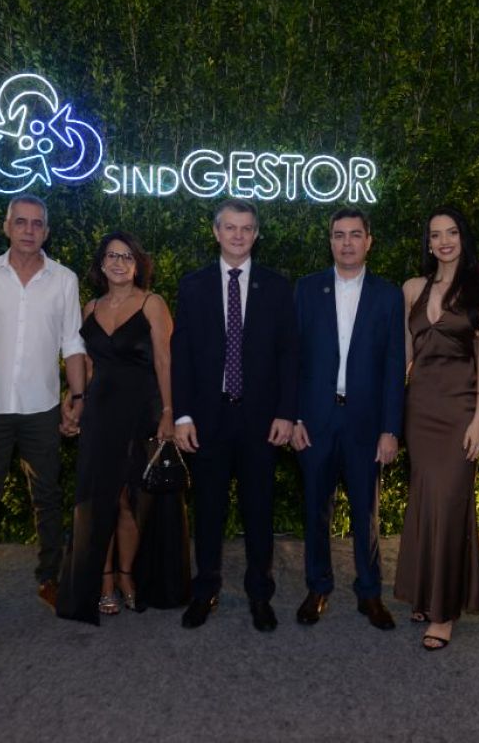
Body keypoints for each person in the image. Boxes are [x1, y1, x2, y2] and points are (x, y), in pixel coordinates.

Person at [171, 198, 298, 632]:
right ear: (216, 232)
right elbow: (182, 356)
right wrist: (182, 416)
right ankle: (204, 591)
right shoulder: (193, 286)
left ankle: (260, 594)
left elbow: (289, 355)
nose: (238, 235)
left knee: (258, 511)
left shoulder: (277, 287)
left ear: (256, 234)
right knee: (207, 511)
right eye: (230, 227)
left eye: (246, 228)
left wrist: (286, 413)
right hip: (208, 418)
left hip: (260, 420)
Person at [56, 231, 186, 625]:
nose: (118, 262)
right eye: (112, 256)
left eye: (127, 256)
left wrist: (169, 411)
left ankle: (128, 575)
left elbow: (165, 361)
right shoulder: (90, 307)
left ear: (137, 265)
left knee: (133, 501)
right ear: (101, 264)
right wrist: (73, 399)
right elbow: (86, 363)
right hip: (100, 414)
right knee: (100, 501)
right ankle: (104, 581)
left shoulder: (152, 303)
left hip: (143, 412)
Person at [0, 194, 86, 615]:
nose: (29, 230)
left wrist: (78, 397)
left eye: (37, 223)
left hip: (42, 406)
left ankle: (49, 578)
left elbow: (73, 343)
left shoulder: (64, 280)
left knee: (47, 496)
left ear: (46, 231)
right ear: (7, 226)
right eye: (21, 222)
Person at [292, 208, 404, 631]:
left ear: (369, 241)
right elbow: (293, 360)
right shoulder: (306, 289)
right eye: (339, 235)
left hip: (365, 424)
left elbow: (394, 366)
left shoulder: (388, 295)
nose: (347, 243)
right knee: (315, 510)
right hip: (315, 421)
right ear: (330, 242)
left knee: (365, 514)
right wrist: (294, 417)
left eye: (355, 235)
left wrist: (390, 429)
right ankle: (318, 587)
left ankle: (369, 593)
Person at [393, 207, 479, 650]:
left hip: (460, 409)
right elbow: (405, 356)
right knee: (424, 498)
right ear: (428, 243)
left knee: (451, 502)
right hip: (420, 408)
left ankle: (444, 611)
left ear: (463, 238)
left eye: (451, 232)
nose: (444, 241)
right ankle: (424, 594)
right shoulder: (411, 288)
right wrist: (390, 412)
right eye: (435, 234)